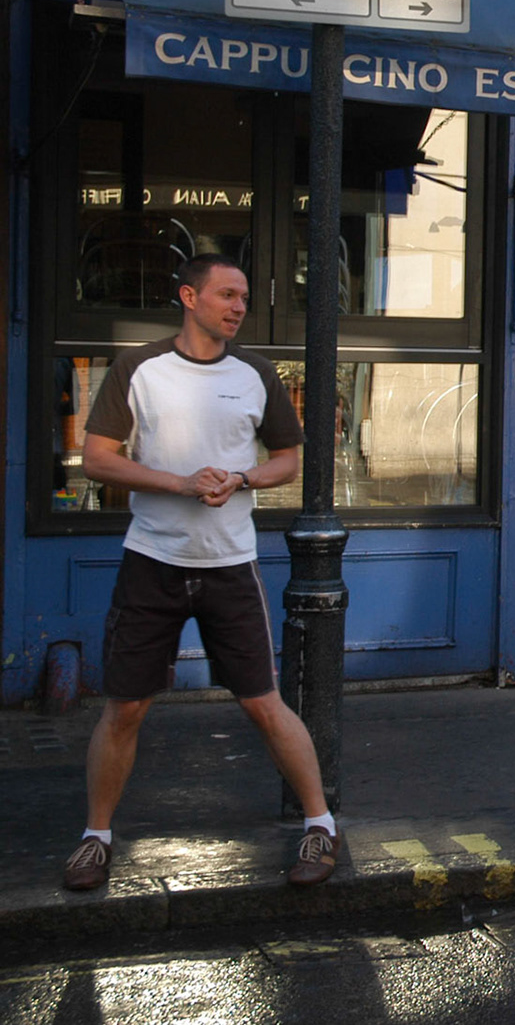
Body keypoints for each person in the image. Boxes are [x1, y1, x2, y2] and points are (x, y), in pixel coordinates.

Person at [64, 253, 340, 892]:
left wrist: (241, 477)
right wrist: (177, 483)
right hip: (152, 561)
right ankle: (95, 838)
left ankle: (320, 824)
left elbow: (288, 461)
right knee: (126, 706)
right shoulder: (139, 369)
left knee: (263, 704)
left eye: (243, 296)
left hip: (229, 566)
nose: (238, 306)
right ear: (189, 296)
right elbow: (98, 459)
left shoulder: (256, 374)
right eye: (226, 294)